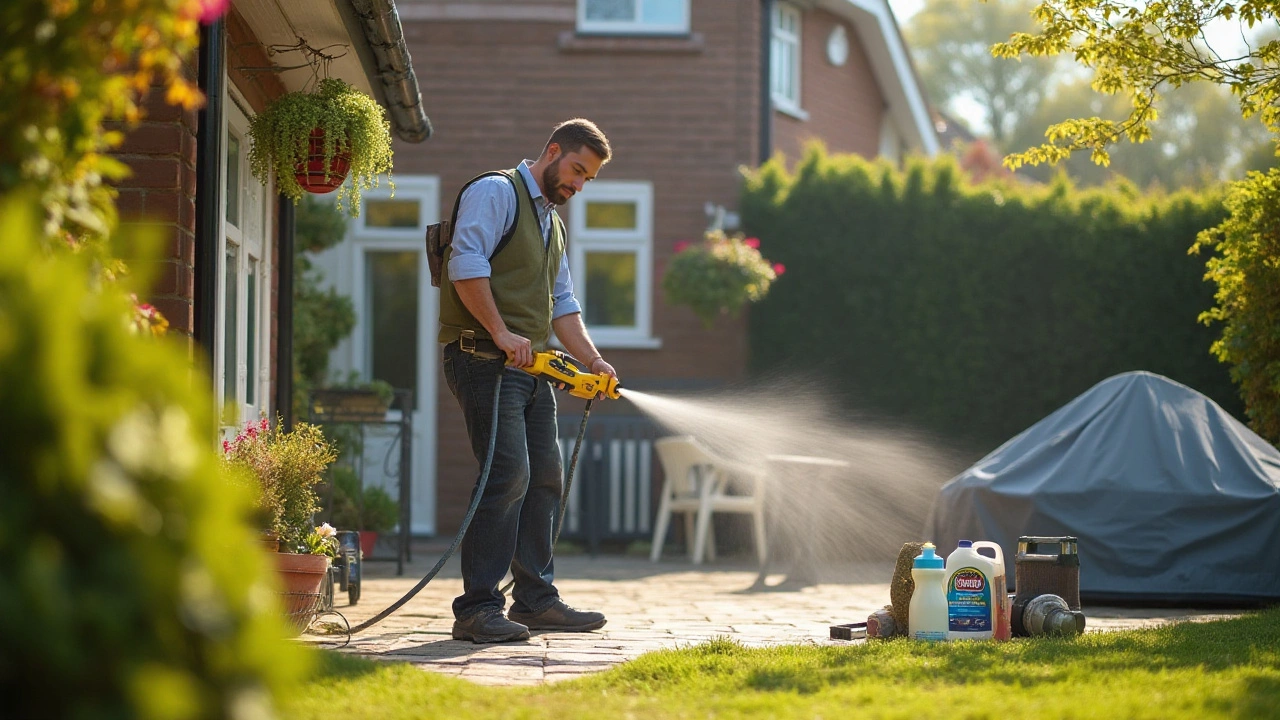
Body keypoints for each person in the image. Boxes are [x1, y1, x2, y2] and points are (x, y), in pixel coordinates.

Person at [438, 118, 619, 643]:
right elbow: (465, 263)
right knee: (508, 475)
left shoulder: (552, 223)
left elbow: (562, 303)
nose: (579, 186)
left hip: (532, 369)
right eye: (577, 171)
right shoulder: (497, 192)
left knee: (545, 477)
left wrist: (592, 360)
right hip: (481, 360)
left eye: (588, 180)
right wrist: (499, 332)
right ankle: (476, 609)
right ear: (553, 151)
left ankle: (536, 601)